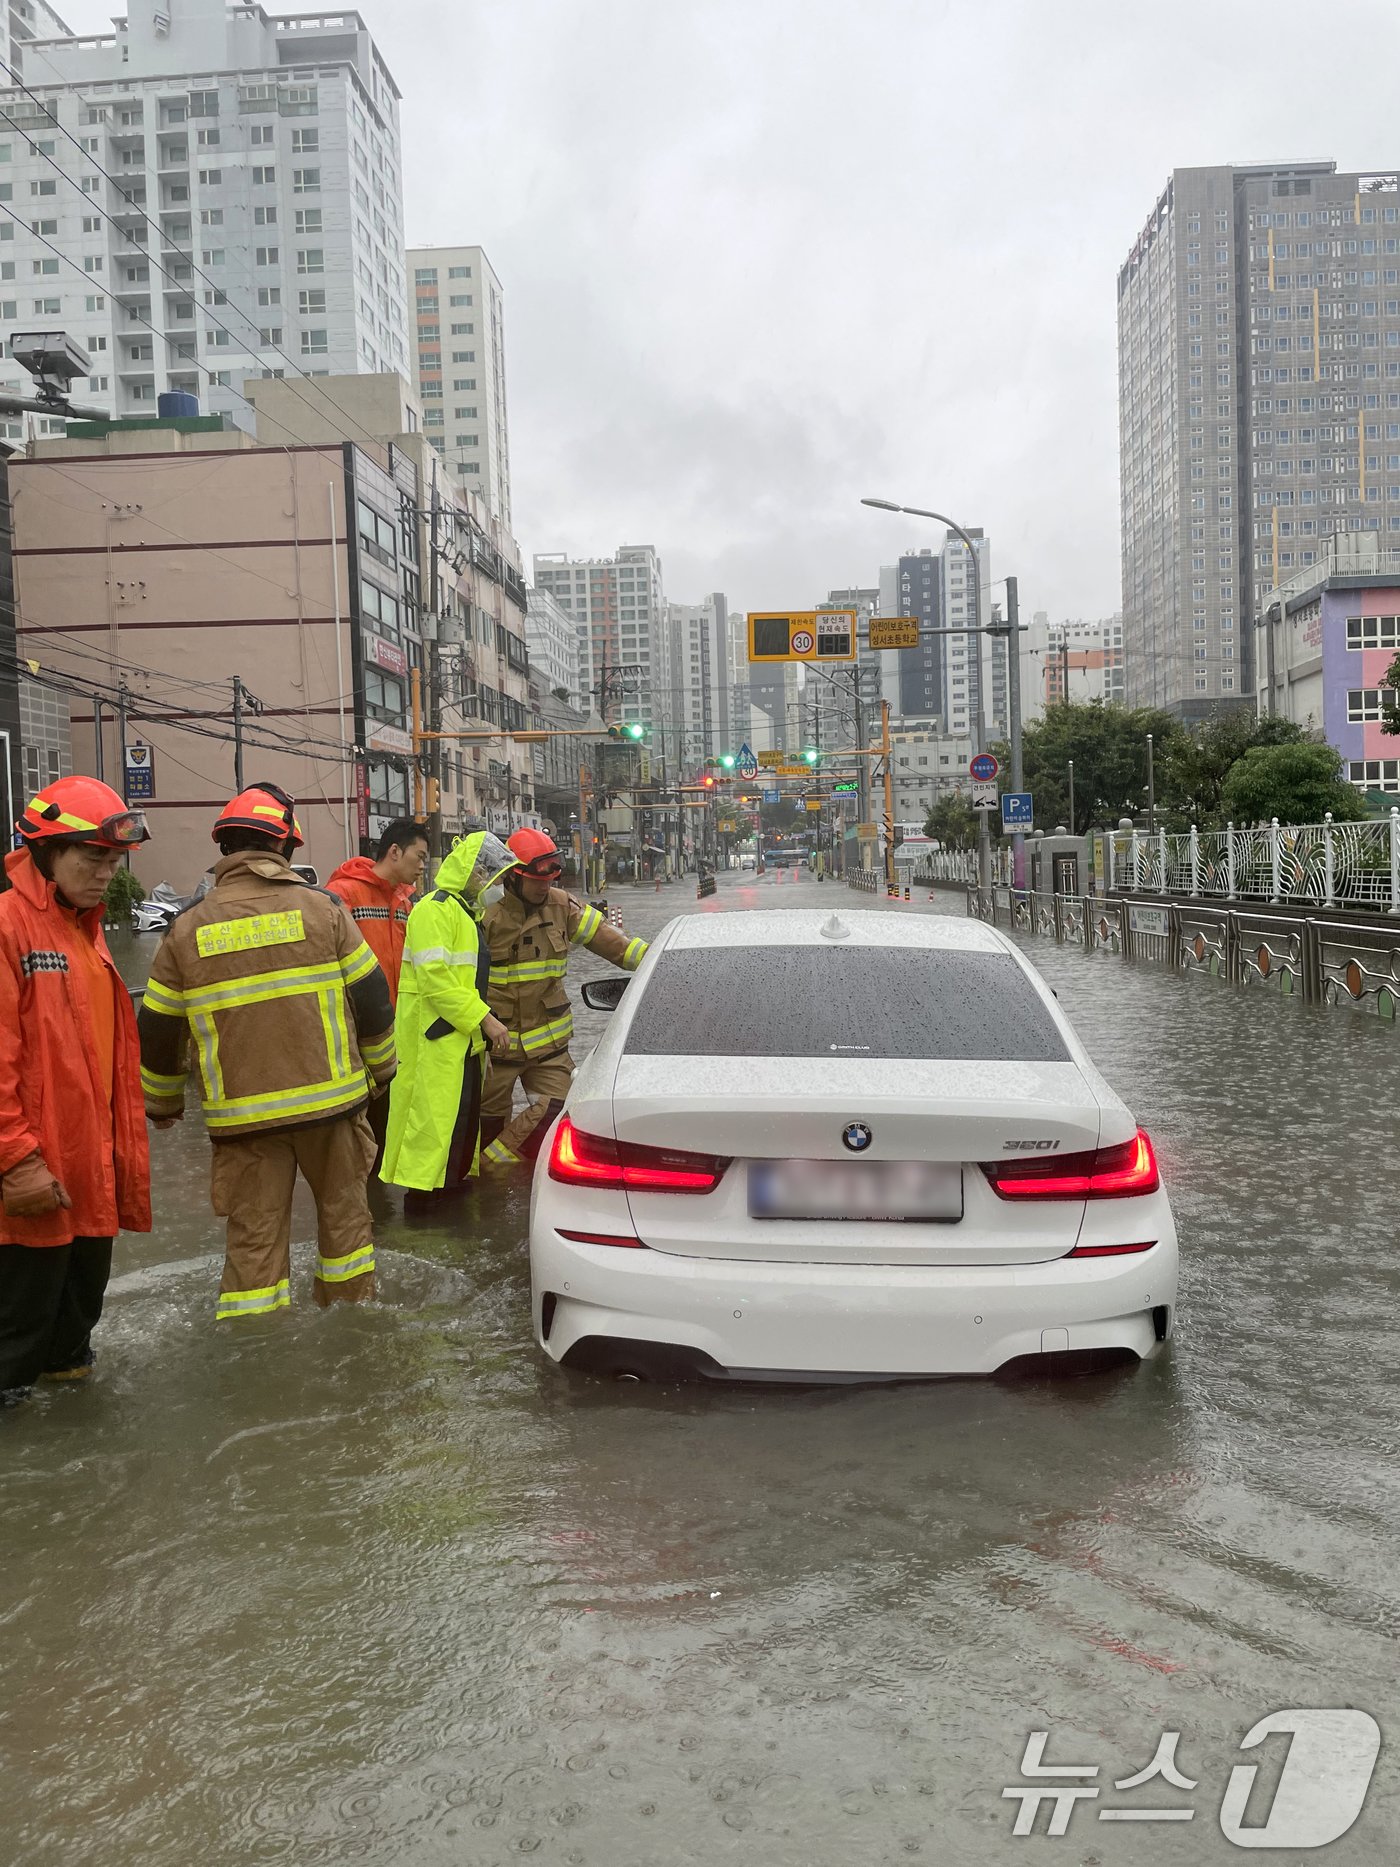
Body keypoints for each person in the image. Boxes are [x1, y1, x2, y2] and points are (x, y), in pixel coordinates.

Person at [137, 782, 396, 1319]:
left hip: (245, 1124)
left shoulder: (185, 931)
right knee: (346, 1229)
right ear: (285, 847)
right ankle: (353, 1329)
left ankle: (257, 1352)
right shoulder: (324, 911)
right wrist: (382, 1070)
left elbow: (158, 1031)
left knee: (253, 1247)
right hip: (333, 1110)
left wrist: (163, 1107)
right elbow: (372, 1002)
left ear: (225, 850)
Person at [0, 777, 152, 1398]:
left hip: (89, 1180)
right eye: (91, 858)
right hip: (34, 1180)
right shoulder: (10, 928)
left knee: (71, 1347)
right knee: (15, 1344)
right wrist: (16, 1160)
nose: (105, 874)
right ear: (45, 852)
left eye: (112, 861)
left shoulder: (86, 933)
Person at [478, 828, 649, 1173]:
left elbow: (617, 946)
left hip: (548, 1049)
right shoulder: (484, 914)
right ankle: (491, 1186)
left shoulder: (562, 906)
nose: (546, 887)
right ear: (513, 877)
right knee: (483, 1130)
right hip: (495, 1050)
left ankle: (506, 1171)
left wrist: (662, 962)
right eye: (538, 881)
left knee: (570, 1112)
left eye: (552, 879)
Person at [380, 829, 518, 1212]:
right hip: (433, 1041)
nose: (498, 889)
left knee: (456, 1123)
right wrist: (487, 1021)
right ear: (473, 875)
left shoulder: (462, 914)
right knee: (429, 1123)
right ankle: (423, 1203)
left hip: (459, 1040)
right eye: (495, 879)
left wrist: (479, 1033)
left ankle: (448, 1192)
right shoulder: (434, 910)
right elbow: (437, 982)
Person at [324, 817, 428, 1200]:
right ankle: (356, 1199)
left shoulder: (404, 900)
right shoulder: (342, 894)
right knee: (356, 1122)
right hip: (352, 1030)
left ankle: (376, 1204)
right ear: (395, 851)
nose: (422, 866)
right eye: (418, 856)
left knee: (385, 1117)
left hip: (394, 1029)